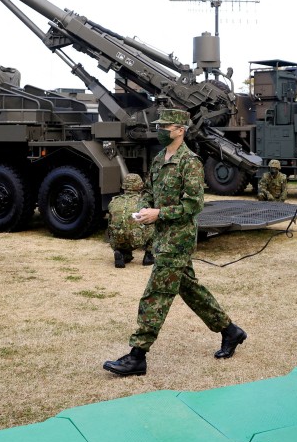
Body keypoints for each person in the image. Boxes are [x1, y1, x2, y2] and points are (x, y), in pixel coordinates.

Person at [103, 109, 247, 377]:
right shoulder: (159, 159)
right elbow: (148, 191)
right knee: (190, 289)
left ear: (180, 129)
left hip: (178, 240)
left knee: (155, 294)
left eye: (164, 126)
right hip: (161, 238)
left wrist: (159, 213)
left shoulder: (189, 162)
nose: (159, 130)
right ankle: (231, 331)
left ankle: (137, 356)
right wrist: (144, 209)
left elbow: (194, 205)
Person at [106, 173, 154, 268]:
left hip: (118, 238)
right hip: (137, 238)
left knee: (116, 224)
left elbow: (110, 222)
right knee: (153, 220)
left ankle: (121, 252)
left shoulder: (114, 201)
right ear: (140, 185)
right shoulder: (144, 201)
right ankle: (149, 255)